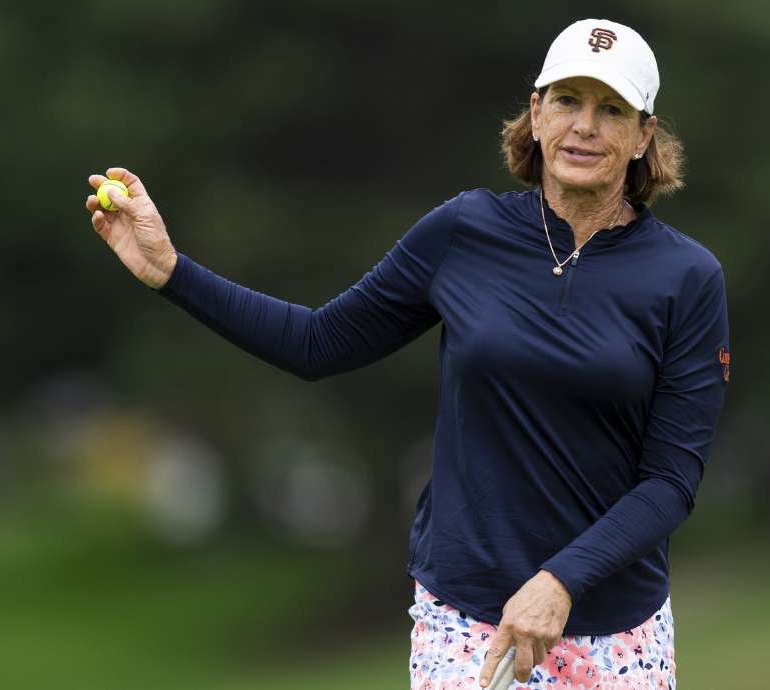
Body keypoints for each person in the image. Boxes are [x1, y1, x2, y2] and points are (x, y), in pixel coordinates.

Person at [82, 17, 728, 690]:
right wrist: (172, 270)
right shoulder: (463, 232)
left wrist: (560, 580)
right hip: (466, 622)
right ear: (537, 115)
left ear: (643, 137)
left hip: (616, 633)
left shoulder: (686, 278)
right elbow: (316, 342)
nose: (585, 127)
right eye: (567, 100)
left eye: (612, 109)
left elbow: (671, 481)